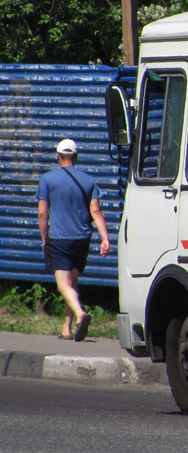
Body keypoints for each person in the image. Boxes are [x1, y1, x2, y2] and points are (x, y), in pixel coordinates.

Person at [36, 138, 110, 341]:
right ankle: (66, 328)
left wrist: (44, 239)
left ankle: (80, 314)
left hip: (59, 239)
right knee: (73, 283)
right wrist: (105, 238)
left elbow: (42, 213)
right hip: (82, 239)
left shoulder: (48, 179)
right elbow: (95, 210)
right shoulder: (89, 180)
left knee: (62, 285)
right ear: (75, 157)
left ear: (58, 156)